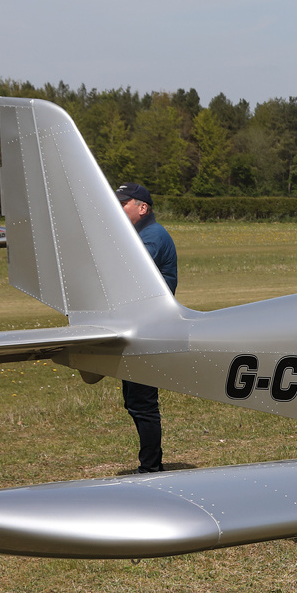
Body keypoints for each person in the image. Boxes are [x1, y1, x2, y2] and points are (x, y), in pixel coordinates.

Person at [114, 182, 177, 472]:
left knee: (143, 405)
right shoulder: (137, 235)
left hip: (147, 329)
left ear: (142, 207)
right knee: (137, 404)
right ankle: (151, 465)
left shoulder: (152, 235)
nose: (118, 206)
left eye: (124, 203)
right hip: (138, 326)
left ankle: (151, 468)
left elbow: (131, 271)